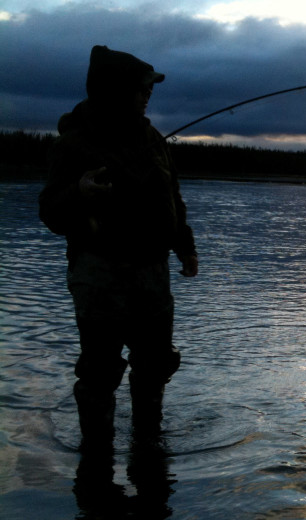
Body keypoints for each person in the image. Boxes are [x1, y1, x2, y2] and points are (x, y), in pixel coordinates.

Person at [39, 45, 198, 450]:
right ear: (115, 90)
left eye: (149, 88)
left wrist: (186, 247)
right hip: (99, 275)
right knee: (99, 371)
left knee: (155, 365)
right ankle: (96, 455)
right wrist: (80, 191)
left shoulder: (152, 138)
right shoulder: (74, 144)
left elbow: (172, 199)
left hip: (154, 275)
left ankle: (147, 442)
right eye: (142, 87)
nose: (149, 94)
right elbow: (50, 211)